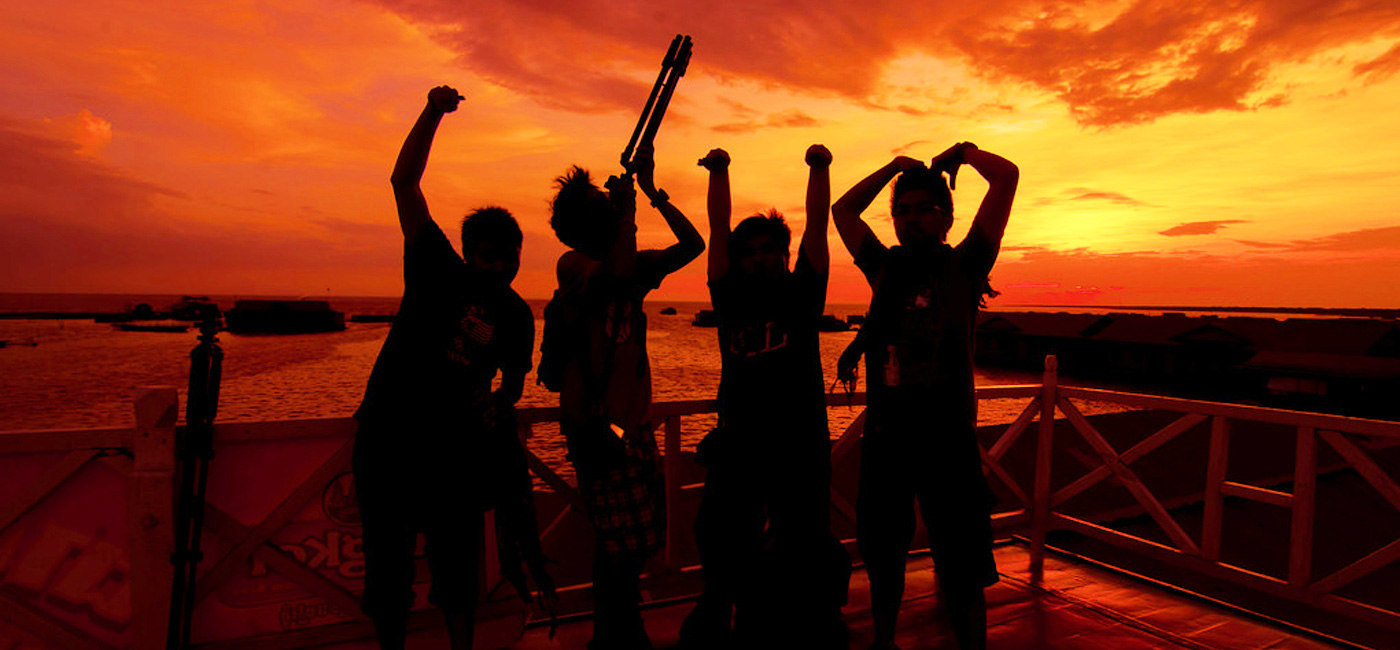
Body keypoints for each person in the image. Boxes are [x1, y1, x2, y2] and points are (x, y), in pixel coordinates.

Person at [352, 86, 537, 650]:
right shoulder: (435, 268)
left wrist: (497, 404)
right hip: (387, 441)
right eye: (490, 256)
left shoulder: (515, 314)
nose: (501, 268)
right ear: (467, 252)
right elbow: (404, 183)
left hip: (457, 455)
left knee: (457, 572)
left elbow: (512, 384)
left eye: (511, 258)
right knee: (388, 570)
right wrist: (433, 112)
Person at [832, 142, 1018, 650]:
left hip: (949, 441)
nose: (910, 221)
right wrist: (891, 165)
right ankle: (884, 642)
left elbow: (1007, 178)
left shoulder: (966, 266)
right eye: (902, 212)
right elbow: (843, 210)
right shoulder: (883, 267)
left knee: (962, 565)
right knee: (883, 558)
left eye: (923, 211)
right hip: (888, 439)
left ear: (947, 218)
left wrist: (969, 153)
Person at [680, 145, 850, 648]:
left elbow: (817, 228)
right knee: (721, 533)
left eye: (768, 249)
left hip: (800, 442)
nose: (758, 258)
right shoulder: (728, 296)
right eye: (749, 251)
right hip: (741, 442)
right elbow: (717, 227)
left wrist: (820, 169)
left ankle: (811, 623)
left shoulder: (803, 293)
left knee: (804, 539)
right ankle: (731, 612)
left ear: (783, 253)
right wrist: (719, 171)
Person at [545, 145, 704, 650]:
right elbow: (611, 276)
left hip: (632, 428)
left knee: (631, 540)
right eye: (599, 207)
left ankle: (617, 628)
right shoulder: (573, 265)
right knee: (619, 544)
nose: (608, 210)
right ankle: (617, 632)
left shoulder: (631, 264)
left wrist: (654, 193)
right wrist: (628, 213)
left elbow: (692, 244)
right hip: (595, 427)